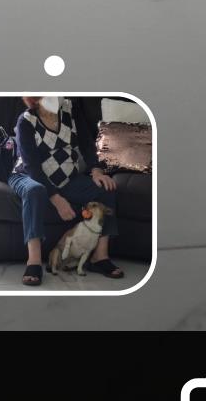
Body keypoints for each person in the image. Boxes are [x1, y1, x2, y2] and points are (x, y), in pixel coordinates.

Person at [8, 95, 124, 286]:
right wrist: (56, 198)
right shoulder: (26, 121)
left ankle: (99, 257)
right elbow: (32, 167)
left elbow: (87, 143)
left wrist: (96, 170)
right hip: (28, 176)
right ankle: (34, 261)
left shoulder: (71, 109)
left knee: (106, 189)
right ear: (35, 99)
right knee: (35, 191)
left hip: (67, 177)